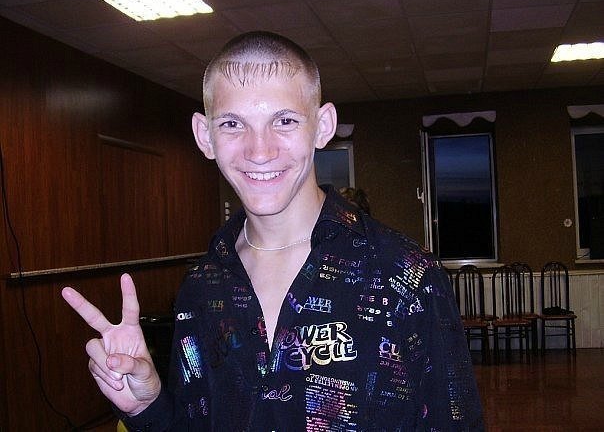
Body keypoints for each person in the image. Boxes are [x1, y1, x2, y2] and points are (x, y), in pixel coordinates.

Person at [62, 31, 483, 431]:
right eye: (232, 124)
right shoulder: (202, 287)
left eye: (283, 121)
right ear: (204, 136)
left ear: (322, 126)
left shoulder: (405, 276)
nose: (259, 151)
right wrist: (147, 405)